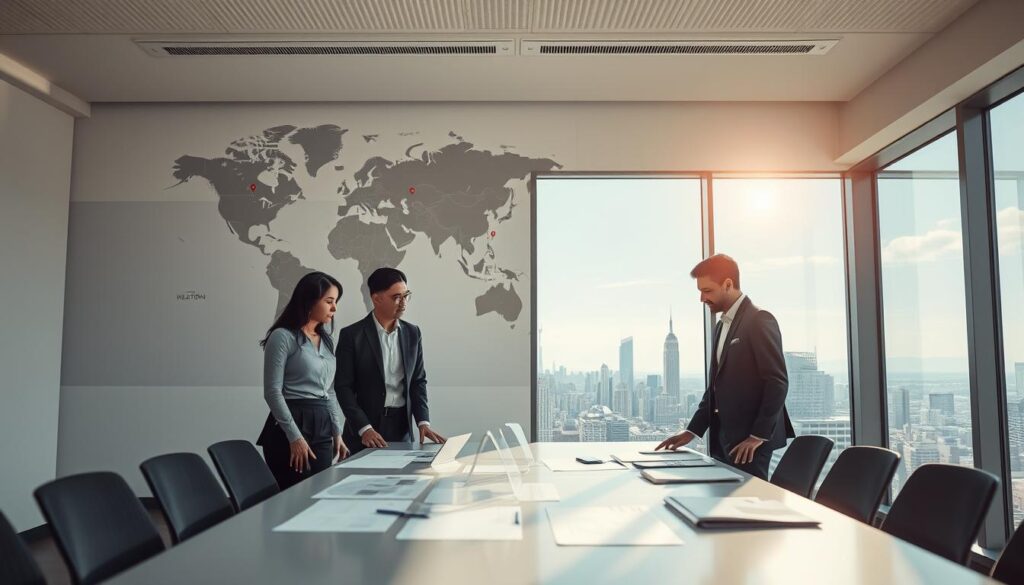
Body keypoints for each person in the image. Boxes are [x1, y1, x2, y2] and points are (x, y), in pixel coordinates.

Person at [657, 254, 794, 480]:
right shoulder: (722, 325)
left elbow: (777, 381)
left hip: (749, 444)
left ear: (728, 284)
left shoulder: (759, 319)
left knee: (748, 505)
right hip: (723, 440)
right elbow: (715, 388)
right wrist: (692, 431)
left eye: (707, 291)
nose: (702, 298)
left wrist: (757, 436)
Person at [335, 267, 446, 454]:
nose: (403, 303)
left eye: (406, 295)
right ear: (376, 299)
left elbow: (418, 381)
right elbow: (343, 387)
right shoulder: (352, 335)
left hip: (402, 428)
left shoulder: (413, 333)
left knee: (402, 482)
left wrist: (423, 422)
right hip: (365, 430)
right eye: (396, 297)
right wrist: (365, 428)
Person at [257, 271, 349, 490]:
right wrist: (295, 437)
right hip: (291, 424)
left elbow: (330, 391)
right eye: (329, 301)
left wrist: (337, 431)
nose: (334, 308)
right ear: (309, 300)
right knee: (294, 497)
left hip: (322, 423)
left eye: (335, 302)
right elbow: (272, 392)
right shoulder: (283, 337)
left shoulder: (327, 341)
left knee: (321, 492)